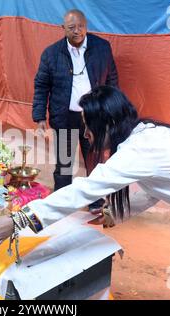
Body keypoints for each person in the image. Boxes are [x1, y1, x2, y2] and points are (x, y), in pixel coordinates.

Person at [0, 85, 170, 300]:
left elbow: (85, 189)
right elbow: (154, 190)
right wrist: (113, 214)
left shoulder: (136, 150)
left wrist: (18, 220)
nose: (86, 134)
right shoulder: (147, 133)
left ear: (110, 122)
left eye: (88, 125)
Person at [32, 9, 118, 213]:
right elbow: (41, 86)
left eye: (80, 26)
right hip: (65, 118)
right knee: (63, 165)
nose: (77, 31)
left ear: (86, 26)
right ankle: (62, 204)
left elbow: (112, 81)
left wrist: (111, 111)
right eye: (71, 28)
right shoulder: (51, 54)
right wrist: (39, 117)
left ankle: (96, 203)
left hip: (94, 117)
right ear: (63, 29)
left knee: (95, 162)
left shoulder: (102, 48)